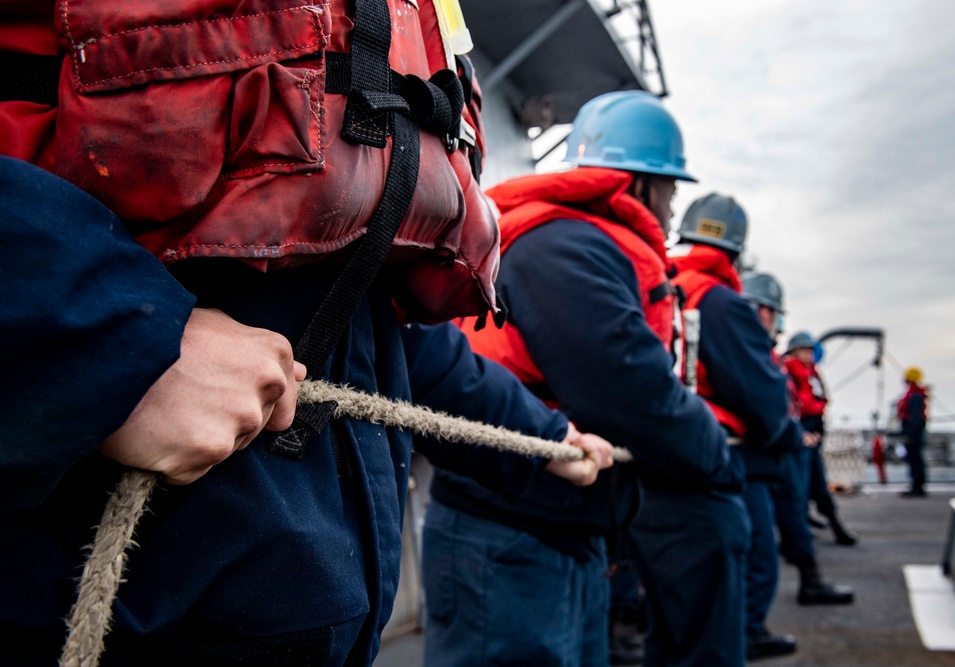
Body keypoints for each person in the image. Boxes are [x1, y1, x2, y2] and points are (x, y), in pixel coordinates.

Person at [0, 4, 614, 664]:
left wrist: (546, 438)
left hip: (308, 607)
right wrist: (113, 337)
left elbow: (391, 336)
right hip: (95, 591)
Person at [431, 90, 730, 667]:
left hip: (557, 524)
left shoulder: (572, 242)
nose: (670, 210)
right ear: (641, 183)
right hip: (512, 535)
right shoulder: (564, 248)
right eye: (669, 188)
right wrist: (714, 449)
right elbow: (629, 388)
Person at [666, 202, 800, 663]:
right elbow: (762, 399)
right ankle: (747, 633)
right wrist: (781, 434)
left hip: (669, 452)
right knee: (751, 561)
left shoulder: (666, 285)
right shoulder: (721, 301)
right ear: (736, 250)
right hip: (728, 458)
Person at [742, 273, 854, 611]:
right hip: (776, 444)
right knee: (778, 517)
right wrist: (795, 433)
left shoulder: (764, 357)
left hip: (784, 439)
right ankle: (752, 625)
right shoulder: (762, 357)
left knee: (794, 505)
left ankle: (810, 574)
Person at [783, 333, 858, 546]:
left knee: (813, 483)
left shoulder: (810, 373)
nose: (809, 355)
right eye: (805, 350)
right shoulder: (791, 371)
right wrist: (801, 433)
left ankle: (812, 529)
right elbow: (794, 405)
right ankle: (802, 535)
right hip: (802, 433)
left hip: (812, 432)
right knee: (803, 485)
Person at [897, 366, 929, 497]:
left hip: (913, 433)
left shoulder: (915, 396)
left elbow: (915, 418)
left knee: (915, 459)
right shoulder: (914, 394)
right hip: (912, 431)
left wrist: (909, 433)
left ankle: (917, 486)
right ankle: (916, 484)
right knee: (914, 458)